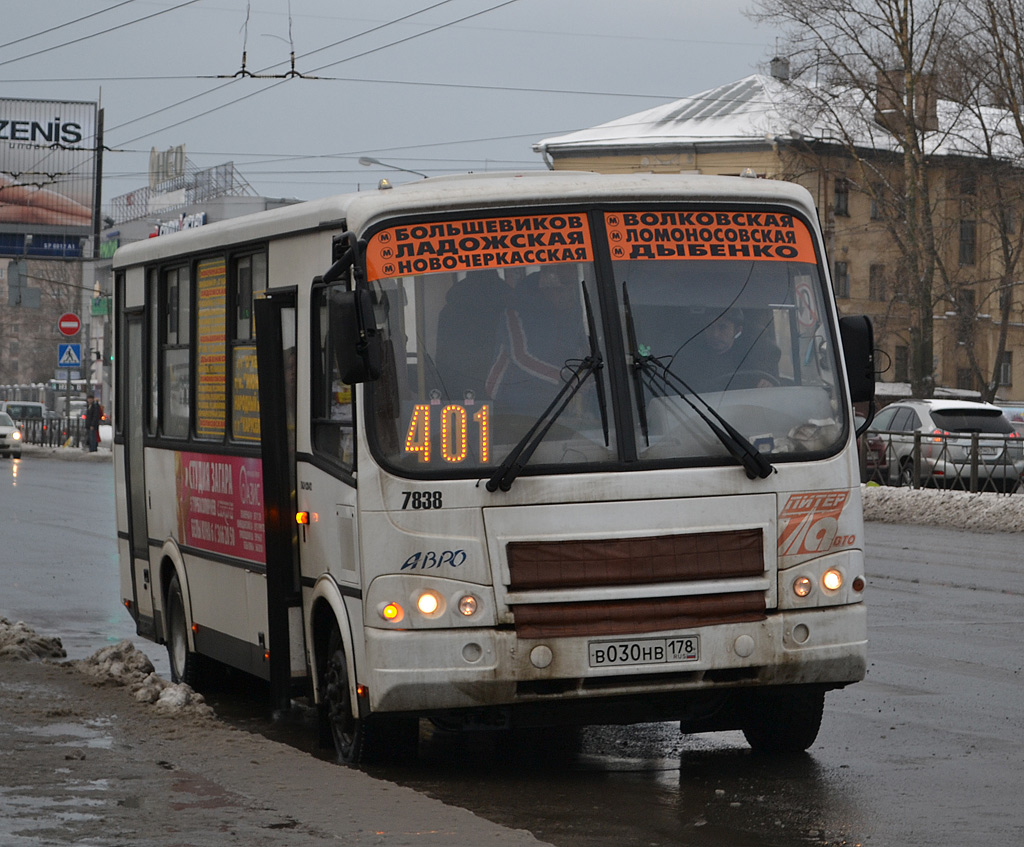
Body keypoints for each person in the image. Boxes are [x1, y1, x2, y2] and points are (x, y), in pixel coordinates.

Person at [485, 263, 589, 416]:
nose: (567, 295)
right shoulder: (514, 311)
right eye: (561, 290)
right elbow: (521, 357)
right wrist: (565, 378)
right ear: (546, 288)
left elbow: (578, 347)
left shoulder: (568, 313)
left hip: (552, 396)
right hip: (508, 399)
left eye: (570, 289)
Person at [684, 309, 779, 391]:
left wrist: (767, 384)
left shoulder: (751, 360)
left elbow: (769, 383)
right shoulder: (690, 361)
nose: (715, 334)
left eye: (722, 327)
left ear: (737, 331)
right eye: (710, 327)